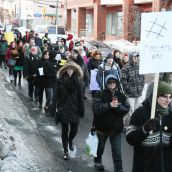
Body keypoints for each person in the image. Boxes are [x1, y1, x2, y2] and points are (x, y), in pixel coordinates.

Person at [126, 81, 172, 172]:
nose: (168, 100)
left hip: (166, 167)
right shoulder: (140, 113)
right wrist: (144, 129)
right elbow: (129, 138)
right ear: (156, 95)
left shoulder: (170, 115)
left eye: (170, 97)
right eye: (164, 96)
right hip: (144, 167)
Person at [92, 74, 129, 172]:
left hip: (116, 129)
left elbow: (126, 109)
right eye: (109, 82)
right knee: (100, 147)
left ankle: (119, 168)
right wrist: (109, 105)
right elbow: (96, 108)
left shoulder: (121, 95)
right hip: (102, 128)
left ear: (116, 83)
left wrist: (118, 106)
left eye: (114, 82)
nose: (112, 84)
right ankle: (98, 161)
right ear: (106, 83)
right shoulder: (100, 94)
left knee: (117, 150)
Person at [50, 62, 85, 160]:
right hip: (63, 109)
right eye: (68, 69)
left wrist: (82, 110)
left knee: (74, 129)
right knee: (64, 131)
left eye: (72, 69)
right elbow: (55, 96)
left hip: (75, 109)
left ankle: (70, 140)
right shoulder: (60, 81)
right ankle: (66, 151)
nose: (70, 71)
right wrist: (53, 109)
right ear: (65, 70)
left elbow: (80, 97)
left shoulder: (78, 81)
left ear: (75, 70)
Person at [120, 52, 145, 129]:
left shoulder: (140, 66)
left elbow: (143, 78)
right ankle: (127, 126)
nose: (135, 58)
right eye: (134, 57)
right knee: (130, 110)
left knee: (137, 110)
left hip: (138, 93)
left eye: (137, 57)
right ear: (131, 57)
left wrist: (141, 87)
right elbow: (123, 80)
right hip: (130, 94)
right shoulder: (125, 67)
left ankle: (132, 124)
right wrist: (128, 88)